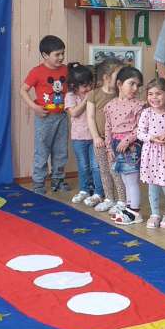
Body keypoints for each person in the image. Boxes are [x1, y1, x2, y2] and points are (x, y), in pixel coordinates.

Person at [19, 35, 70, 195]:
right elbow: (23, 90)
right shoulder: (37, 72)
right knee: (42, 151)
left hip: (62, 116)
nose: (61, 57)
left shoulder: (66, 70)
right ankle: (39, 182)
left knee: (61, 151)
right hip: (44, 118)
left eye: (62, 53)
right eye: (57, 54)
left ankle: (58, 180)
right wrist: (34, 107)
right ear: (45, 55)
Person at [104, 66, 146, 225]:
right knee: (124, 179)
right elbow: (108, 127)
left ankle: (135, 212)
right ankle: (128, 209)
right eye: (132, 84)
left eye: (138, 85)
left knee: (131, 179)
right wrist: (109, 148)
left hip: (131, 147)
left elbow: (141, 127)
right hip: (116, 145)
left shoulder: (138, 105)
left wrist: (127, 140)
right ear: (119, 84)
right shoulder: (110, 105)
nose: (135, 88)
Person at [86, 57, 127, 213]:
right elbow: (90, 117)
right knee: (103, 170)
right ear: (106, 77)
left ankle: (122, 201)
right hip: (100, 140)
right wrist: (96, 137)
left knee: (116, 171)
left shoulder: (120, 94)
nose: (121, 79)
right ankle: (109, 198)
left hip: (116, 141)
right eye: (118, 75)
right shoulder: (94, 94)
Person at [137, 78, 165, 229]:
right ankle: (155, 214)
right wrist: (152, 138)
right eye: (150, 94)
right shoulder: (146, 113)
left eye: (158, 93)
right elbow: (140, 133)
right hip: (150, 154)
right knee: (152, 185)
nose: (154, 97)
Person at [64, 63, 104, 206]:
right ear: (74, 86)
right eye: (84, 86)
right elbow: (74, 112)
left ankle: (99, 192)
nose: (88, 88)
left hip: (95, 136)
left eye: (90, 85)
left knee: (96, 166)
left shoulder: (95, 93)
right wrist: (87, 99)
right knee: (83, 166)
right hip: (79, 138)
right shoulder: (70, 96)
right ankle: (84, 190)